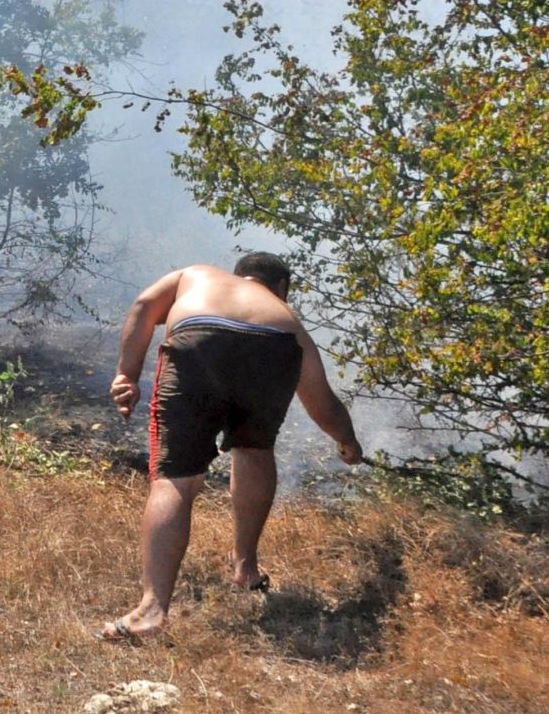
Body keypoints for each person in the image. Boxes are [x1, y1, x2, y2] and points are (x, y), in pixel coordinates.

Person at [97, 251, 362, 641]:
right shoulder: (286, 317)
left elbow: (143, 306)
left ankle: (151, 612)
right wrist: (347, 441)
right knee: (255, 450)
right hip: (274, 347)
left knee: (176, 479)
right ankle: (246, 568)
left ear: (240, 275)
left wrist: (127, 374)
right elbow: (321, 399)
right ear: (282, 288)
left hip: (199, 337)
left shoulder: (196, 273)